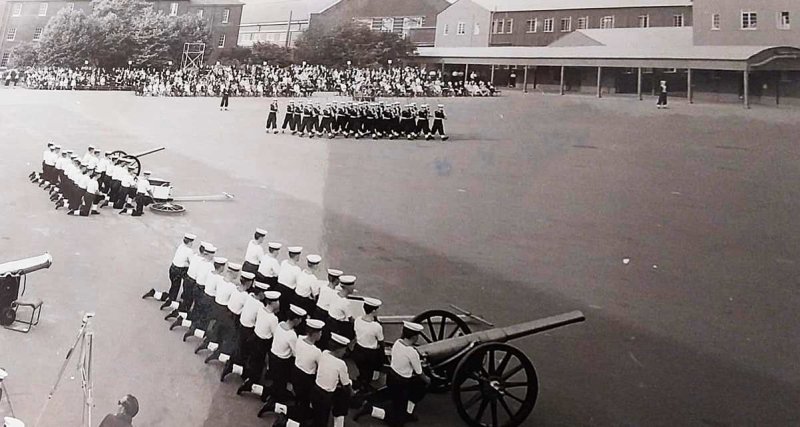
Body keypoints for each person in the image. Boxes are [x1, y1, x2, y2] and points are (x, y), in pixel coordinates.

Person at [354, 321, 429, 426]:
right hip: (403, 383)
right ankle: (371, 410)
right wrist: (428, 380)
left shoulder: (398, 343)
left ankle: (407, 413)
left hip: (392, 377)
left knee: (408, 395)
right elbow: (419, 372)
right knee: (397, 419)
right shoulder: (412, 352)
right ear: (414, 337)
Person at [258, 304, 307, 418]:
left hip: (273, 356)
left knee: (277, 381)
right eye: (299, 319)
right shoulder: (292, 335)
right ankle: (273, 403)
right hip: (283, 362)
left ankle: (271, 394)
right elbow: (295, 353)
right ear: (295, 320)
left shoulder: (280, 325)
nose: (300, 321)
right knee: (280, 382)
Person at [238, 290, 281, 396]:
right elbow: (275, 334)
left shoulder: (261, 309)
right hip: (264, 342)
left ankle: (249, 376)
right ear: (273, 303)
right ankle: (251, 384)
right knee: (259, 363)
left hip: (256, 337)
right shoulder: (273, 318)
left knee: (254, 360)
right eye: (277, 301)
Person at [311, 333, 353, 427]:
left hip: (316, 390)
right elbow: (346, 385)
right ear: (339, 349)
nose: (344, 352)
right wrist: (351, 393)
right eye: (344, 350)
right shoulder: (341, 364)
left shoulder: (324, 353)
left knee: (318, 416)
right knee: (323, 420)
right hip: (326, 395)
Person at [290, 318, 325, 423]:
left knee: (299, 396)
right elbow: (320, 367)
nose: (321, 334)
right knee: (305, 399)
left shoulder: (300, 339)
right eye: (320, 332)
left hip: (296, 372)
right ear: (314, 334)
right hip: (307, 378)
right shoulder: (316, 351)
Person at [142, 233, 195, 302]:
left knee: (173, 288)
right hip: (180, 270)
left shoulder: (181, 246)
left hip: (173, 268)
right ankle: (180, 300)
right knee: (187, 282)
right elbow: (192, 263)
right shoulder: (189, 251)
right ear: (190, 242)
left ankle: (155, 294)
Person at [352, 297, 384, 392]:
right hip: (370, 354)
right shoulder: (376, 326)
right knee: (368, 372)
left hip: (358, 350)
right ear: (373, 310)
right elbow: (381, 341)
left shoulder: (357, 320)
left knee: (362, 369)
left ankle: (361, 381)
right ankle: (364, 387)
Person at [327, 275, 357, 339]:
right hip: (338, 326)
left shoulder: (335, 294)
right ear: (347, 287)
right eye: (352, 285)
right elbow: (350, 319)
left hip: (330, 322)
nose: (353, 287)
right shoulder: (345, 303)